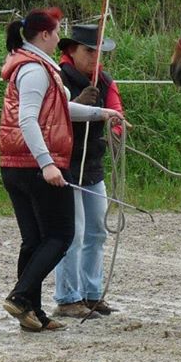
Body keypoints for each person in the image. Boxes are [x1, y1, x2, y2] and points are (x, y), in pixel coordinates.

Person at [0, 8, 123, 332]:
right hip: (33, 165)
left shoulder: (35, 67)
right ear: (44, 36)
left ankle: (32, 312)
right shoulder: (35, 70)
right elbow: (27, 118)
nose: (58, 37)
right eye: (55, 32)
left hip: (18, 164)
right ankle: (21, 296)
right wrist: (47, 163)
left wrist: (101, 112)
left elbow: (59, 108)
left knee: (35, 240)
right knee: (61, 235)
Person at [53, 24, 130, 318]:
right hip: (65, 165)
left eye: (99, 52)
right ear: (71, 50)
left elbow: (116, 110)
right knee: (73, 233)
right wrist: (75, 105)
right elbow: (51, 113)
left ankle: (91, 293)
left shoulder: (105, 82)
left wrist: (117, 128)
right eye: (89, 51)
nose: (96, 58)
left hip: (92, 165)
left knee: (96, 232)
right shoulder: (57, 78)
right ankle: (67, 297)